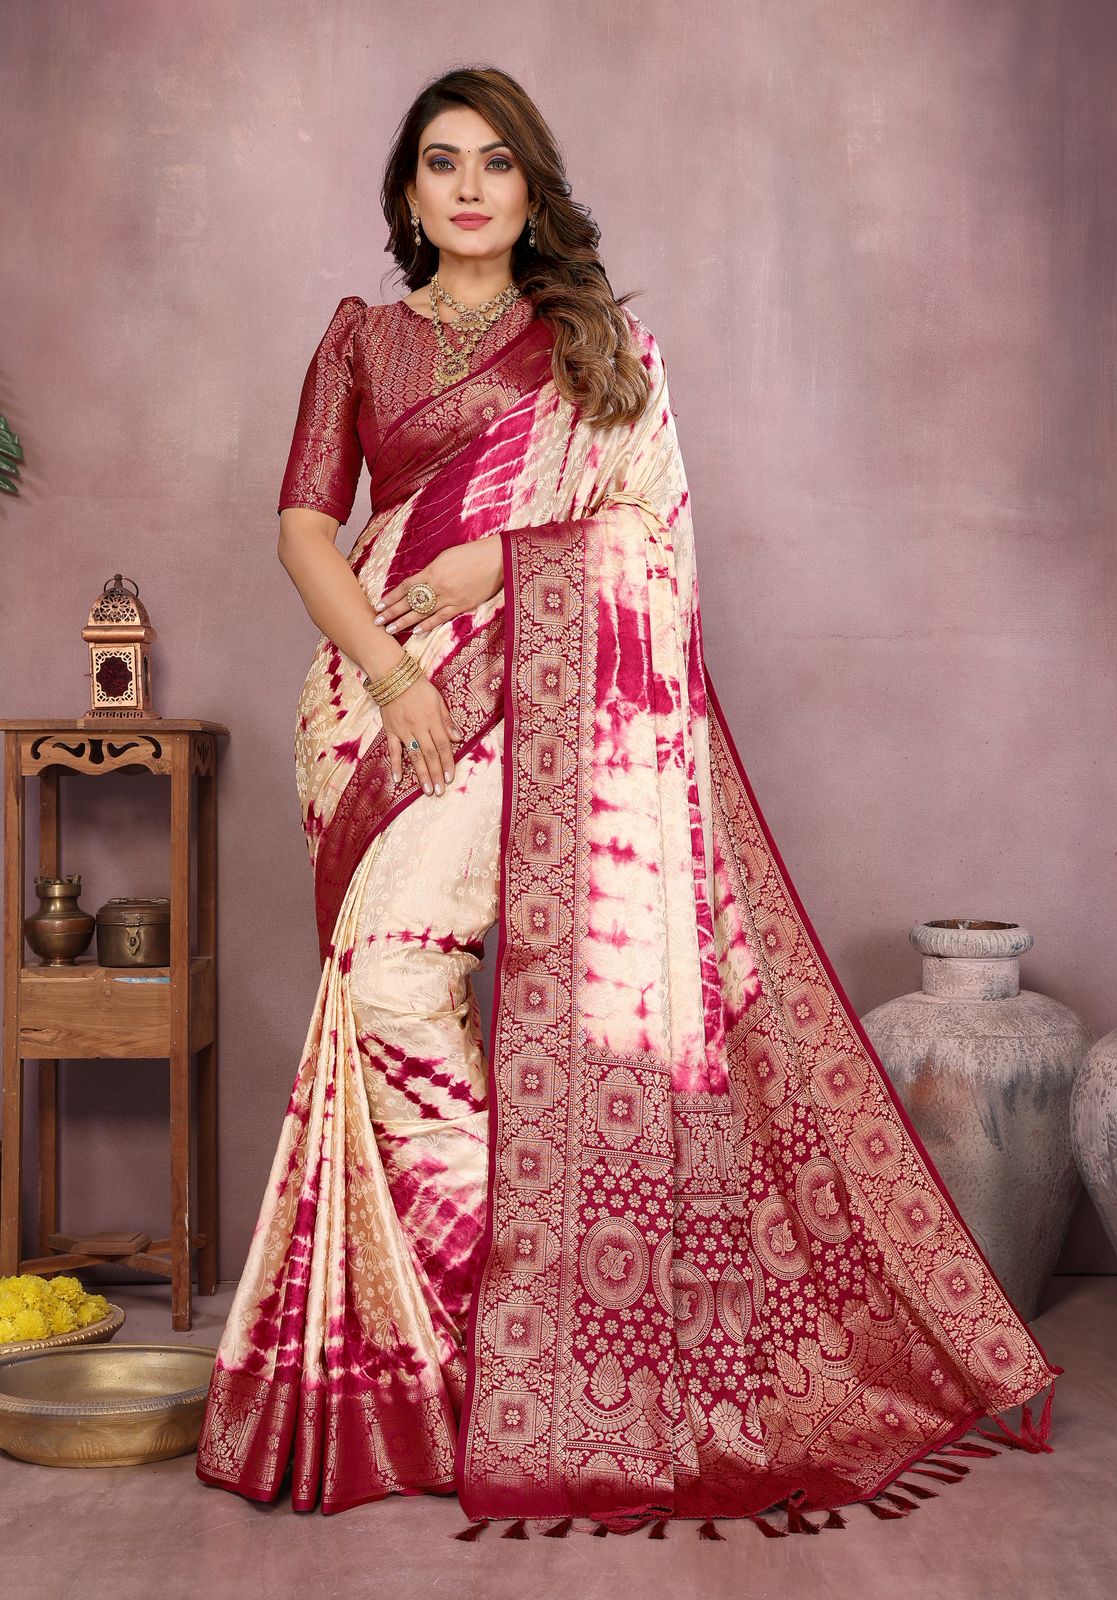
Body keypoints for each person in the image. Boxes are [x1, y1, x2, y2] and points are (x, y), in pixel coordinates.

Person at [195, 65, 1061, 1538]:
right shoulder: (361, 343)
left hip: (531, 697)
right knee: (380, 992)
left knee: (400, 984)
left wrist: (507, 571)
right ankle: (473, 1355)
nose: (468, 188)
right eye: (439, 166)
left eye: (496, 165)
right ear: (408, 197)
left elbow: (652, 543)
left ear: (533, 189)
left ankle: (518, 1327)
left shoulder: (597, 351)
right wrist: (394, 681)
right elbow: (302, 529)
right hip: (369, 706)